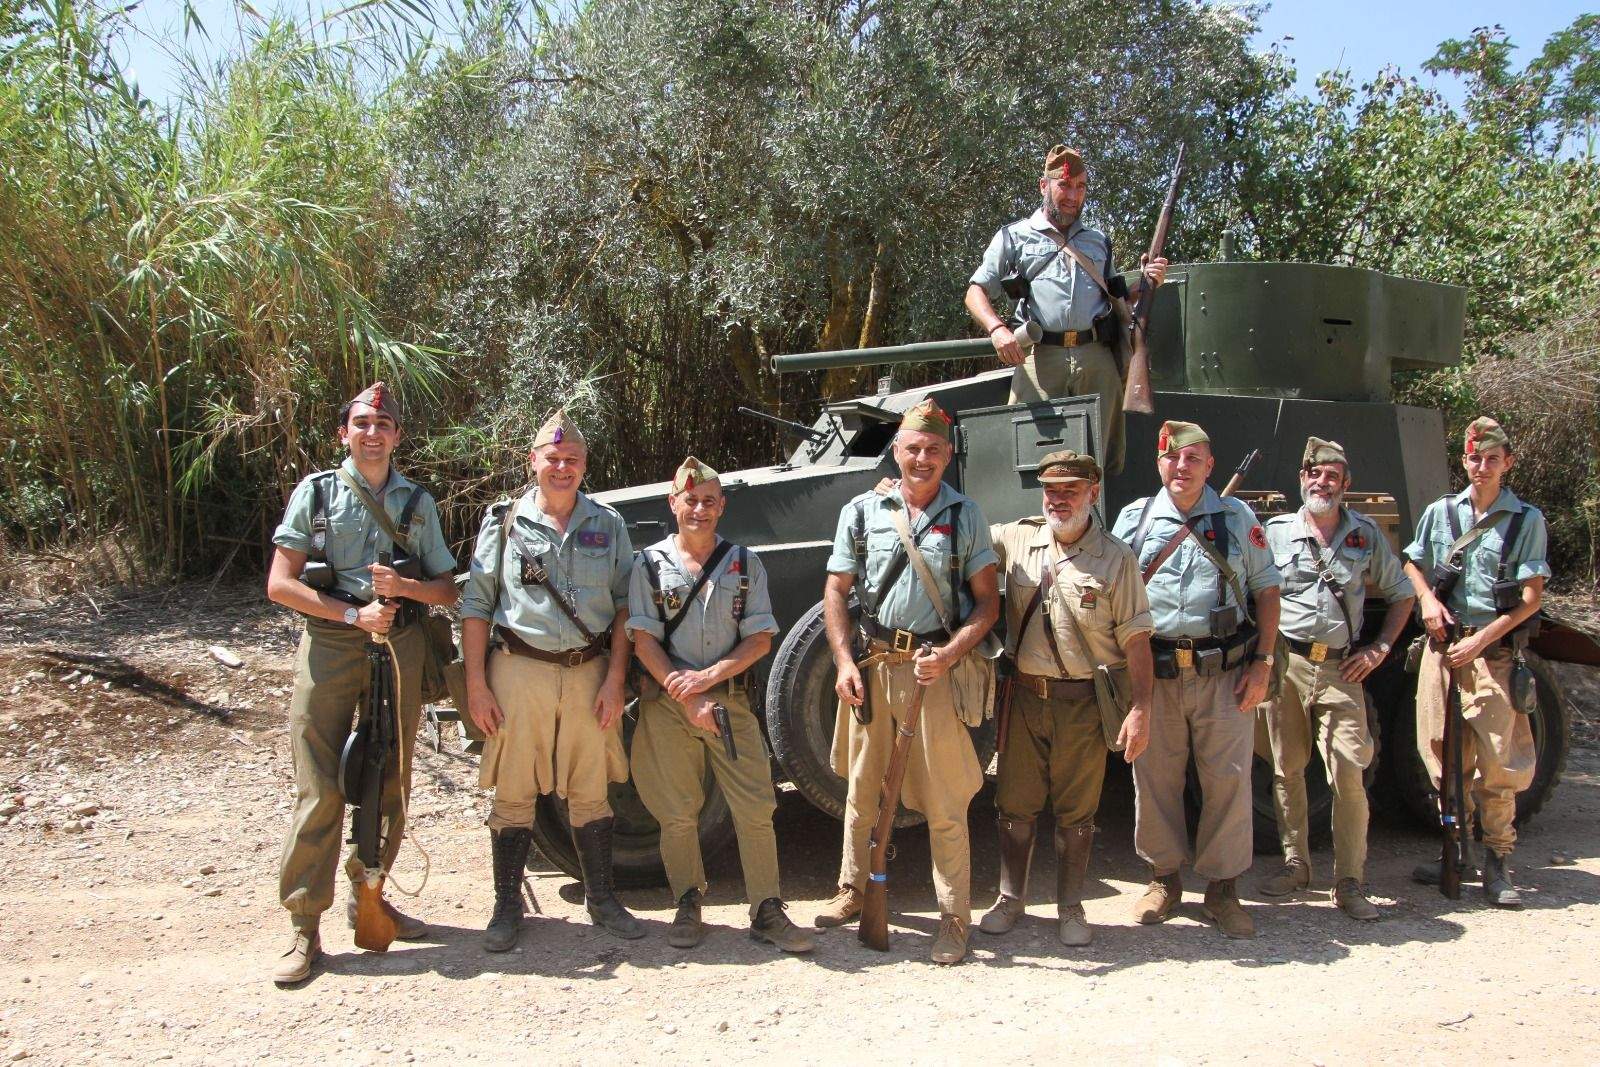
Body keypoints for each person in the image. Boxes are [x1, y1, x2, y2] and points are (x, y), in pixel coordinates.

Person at [265, 382, 460, 985]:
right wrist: (352, 614)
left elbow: (448, 588)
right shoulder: (317, 493)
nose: (372, 433)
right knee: (320, 784)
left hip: (396, 646)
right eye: (362, 423)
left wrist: (405, 591)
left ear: (397, 436)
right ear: (344, 433)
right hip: (330, 644)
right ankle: (304, 924)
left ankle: (370, 896)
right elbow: (280, 583)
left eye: (383, 424)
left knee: (391, 780)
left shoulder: (416, 503)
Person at [814, 397, 1001, 964]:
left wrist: (947, 655)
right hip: (872, 670)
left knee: (945, 800)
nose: (923, 458)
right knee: (863, 789)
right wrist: (845, 662)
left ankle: (953, 917)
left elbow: (988, 606)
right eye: (913, 448)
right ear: (896, 452)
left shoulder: (966, 516)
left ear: (947, 456)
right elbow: (836, 592)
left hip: (931, 674)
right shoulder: (862, 512)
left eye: (934, 450)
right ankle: (852, 888)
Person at [459, 410, 640, 950]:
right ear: (533, 462)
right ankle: (506, 907)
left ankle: (602, 899)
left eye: (572, 460)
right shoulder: (505, 524)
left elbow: (629, 608)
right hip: (519, 671)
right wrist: (476, 685)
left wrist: (615, 680)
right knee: (513, 788)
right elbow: (475, 606)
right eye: (552, 458)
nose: (562, 468)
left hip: (588, 672)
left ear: (584, 467)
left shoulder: (608, 525)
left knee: (591, 787)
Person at [628, 456, 814, 953]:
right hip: (667, 705)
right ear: (673, 503)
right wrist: (683, 690)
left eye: (710, 501)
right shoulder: (648, 565)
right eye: (691, 500)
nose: (700, 509)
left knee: (755, 806)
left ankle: (767, 910)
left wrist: (708, 679)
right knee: (677, 812)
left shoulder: (743, 563)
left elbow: (759, 639)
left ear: (722, 507)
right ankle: (688, 903)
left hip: (729, 702)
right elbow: (642, 640)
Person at [1110, 420, 1280, 939]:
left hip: (1223, 674)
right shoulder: (1134, 520)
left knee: (1227, 780)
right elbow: (1115, 590)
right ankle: (1163, 879)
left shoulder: (1237, 518)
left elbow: (1267, 590)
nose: (1180, 468)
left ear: (1210, 466)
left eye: (1193, 459)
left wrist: (1263, 663)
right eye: (1171, 459)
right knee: (1155, 777)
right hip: (1155, 675)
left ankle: (1223, 890)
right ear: (1159, 463)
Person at [979, 450, 1154, 947]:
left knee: (1077, 810)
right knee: (1014, 803)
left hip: (1083, 702)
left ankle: (1071, 906)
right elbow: (965, 535)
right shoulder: (1017, 539)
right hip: (1025, 696)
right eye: (1051, 491)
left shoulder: (1117, 559)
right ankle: (1010, 898)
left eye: (1070, 491)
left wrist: (1140, 709)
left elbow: (1137, 639)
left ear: (1092, 494)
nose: (1058, 500)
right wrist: (899, 500)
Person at [1256, 437, 1414, 921]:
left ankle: (1349, 881)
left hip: (1342, 668)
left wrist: (1381, 647)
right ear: (1302, 478)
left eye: (1332, 475)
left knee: (1349, 770)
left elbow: (1402, 592)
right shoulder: (1274, 532)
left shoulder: (1365, 535)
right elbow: (1252, 590)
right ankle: (1296, 864)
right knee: (1286, 769)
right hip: (1287, 664)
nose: (1322, 482)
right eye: (1314, 473)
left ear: (1346, 484)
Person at [1402, 417, 1549, 907]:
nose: (1481, 467)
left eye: (1491, 459)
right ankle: (1455, 851)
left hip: (1494, 656)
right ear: (1463, 461)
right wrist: (1426, 600)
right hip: (1444, 651)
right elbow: (1412, 561)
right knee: (1443, 757)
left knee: (1497, 763)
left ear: (1507, 462)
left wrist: (1481, 641)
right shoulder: (1441, 512)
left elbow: (1529, 598)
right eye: (1473, 458)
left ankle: (1498, 860)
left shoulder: (1525, 520)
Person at [965, 144, 1169, 478]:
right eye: (1064, 185)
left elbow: (1116, 296)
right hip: (1040, 358)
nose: (1073, 195)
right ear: (1044, 186)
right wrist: (996, 329)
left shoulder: (1097, 241)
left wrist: (1145, 284)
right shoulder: (1013, 237)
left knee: (1101, 459)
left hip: (1095, 357)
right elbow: (975, 292)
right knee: (1030, 453)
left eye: (1080, 187)